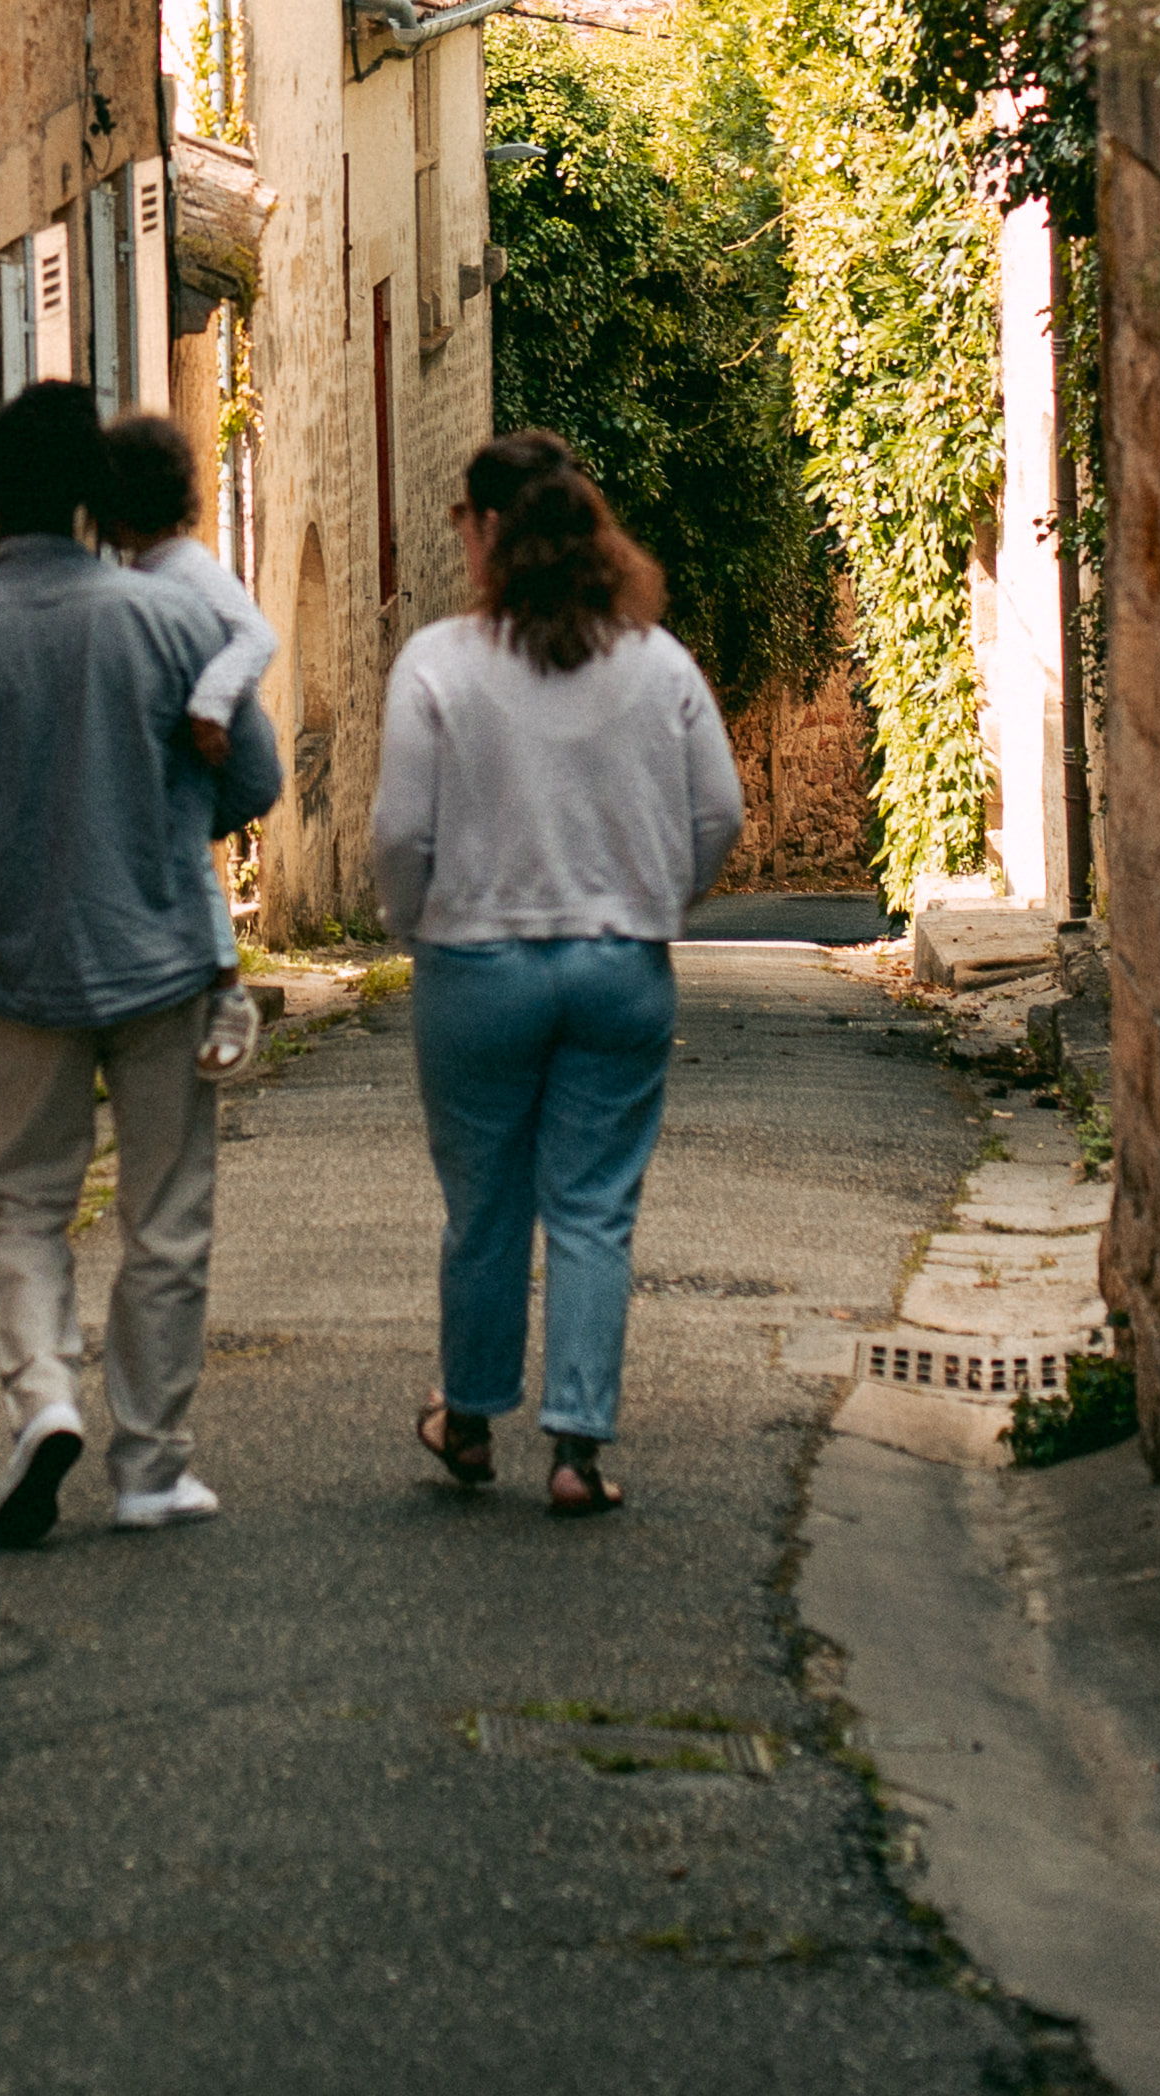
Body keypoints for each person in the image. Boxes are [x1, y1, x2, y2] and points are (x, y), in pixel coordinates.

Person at [0, 380, 285, 1547]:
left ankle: (45, 1398)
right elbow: (254, 777)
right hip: (162, 956)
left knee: (24, 1206)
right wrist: (164, 814)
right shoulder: (170, 622)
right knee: (166, 1219)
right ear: (93, 501)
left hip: (20, 967)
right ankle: (149, 1466)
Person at [376, 428, 739, 1519]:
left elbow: (401, 831)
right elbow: (718, 812)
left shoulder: (437, 663)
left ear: (486, 529)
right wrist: (658, 901)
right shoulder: (656, 661)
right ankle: (577, 1448)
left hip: (475, 964)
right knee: (592, 1207)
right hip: (619, 963)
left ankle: (469, 1416)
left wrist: (417, 921)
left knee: (483, 1204)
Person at [87, 406, 279, 1082]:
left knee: (183, 846)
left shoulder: (190, 571)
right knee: (178, 850)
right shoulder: (150, 575)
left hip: (219, 744)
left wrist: (209, 706)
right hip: (189, 749)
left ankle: (227, 992)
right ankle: (207, 983)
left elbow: (255, 636)